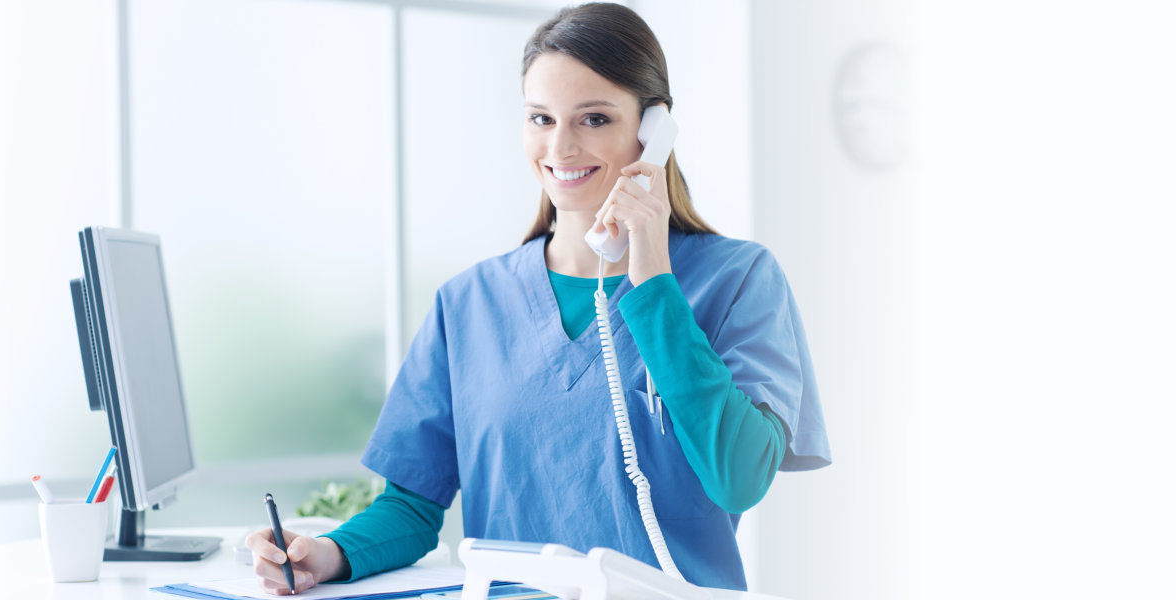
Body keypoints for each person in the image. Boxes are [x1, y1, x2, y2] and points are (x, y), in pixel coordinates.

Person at [244, 3, 830, 593]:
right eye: (541, 118)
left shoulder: (739, 280)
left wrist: (653, 281)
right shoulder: (467, 304)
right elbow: (414, 507)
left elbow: (739, 477)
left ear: (653, 129)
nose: (562, 146)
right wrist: (328, 552)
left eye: (594, 118)